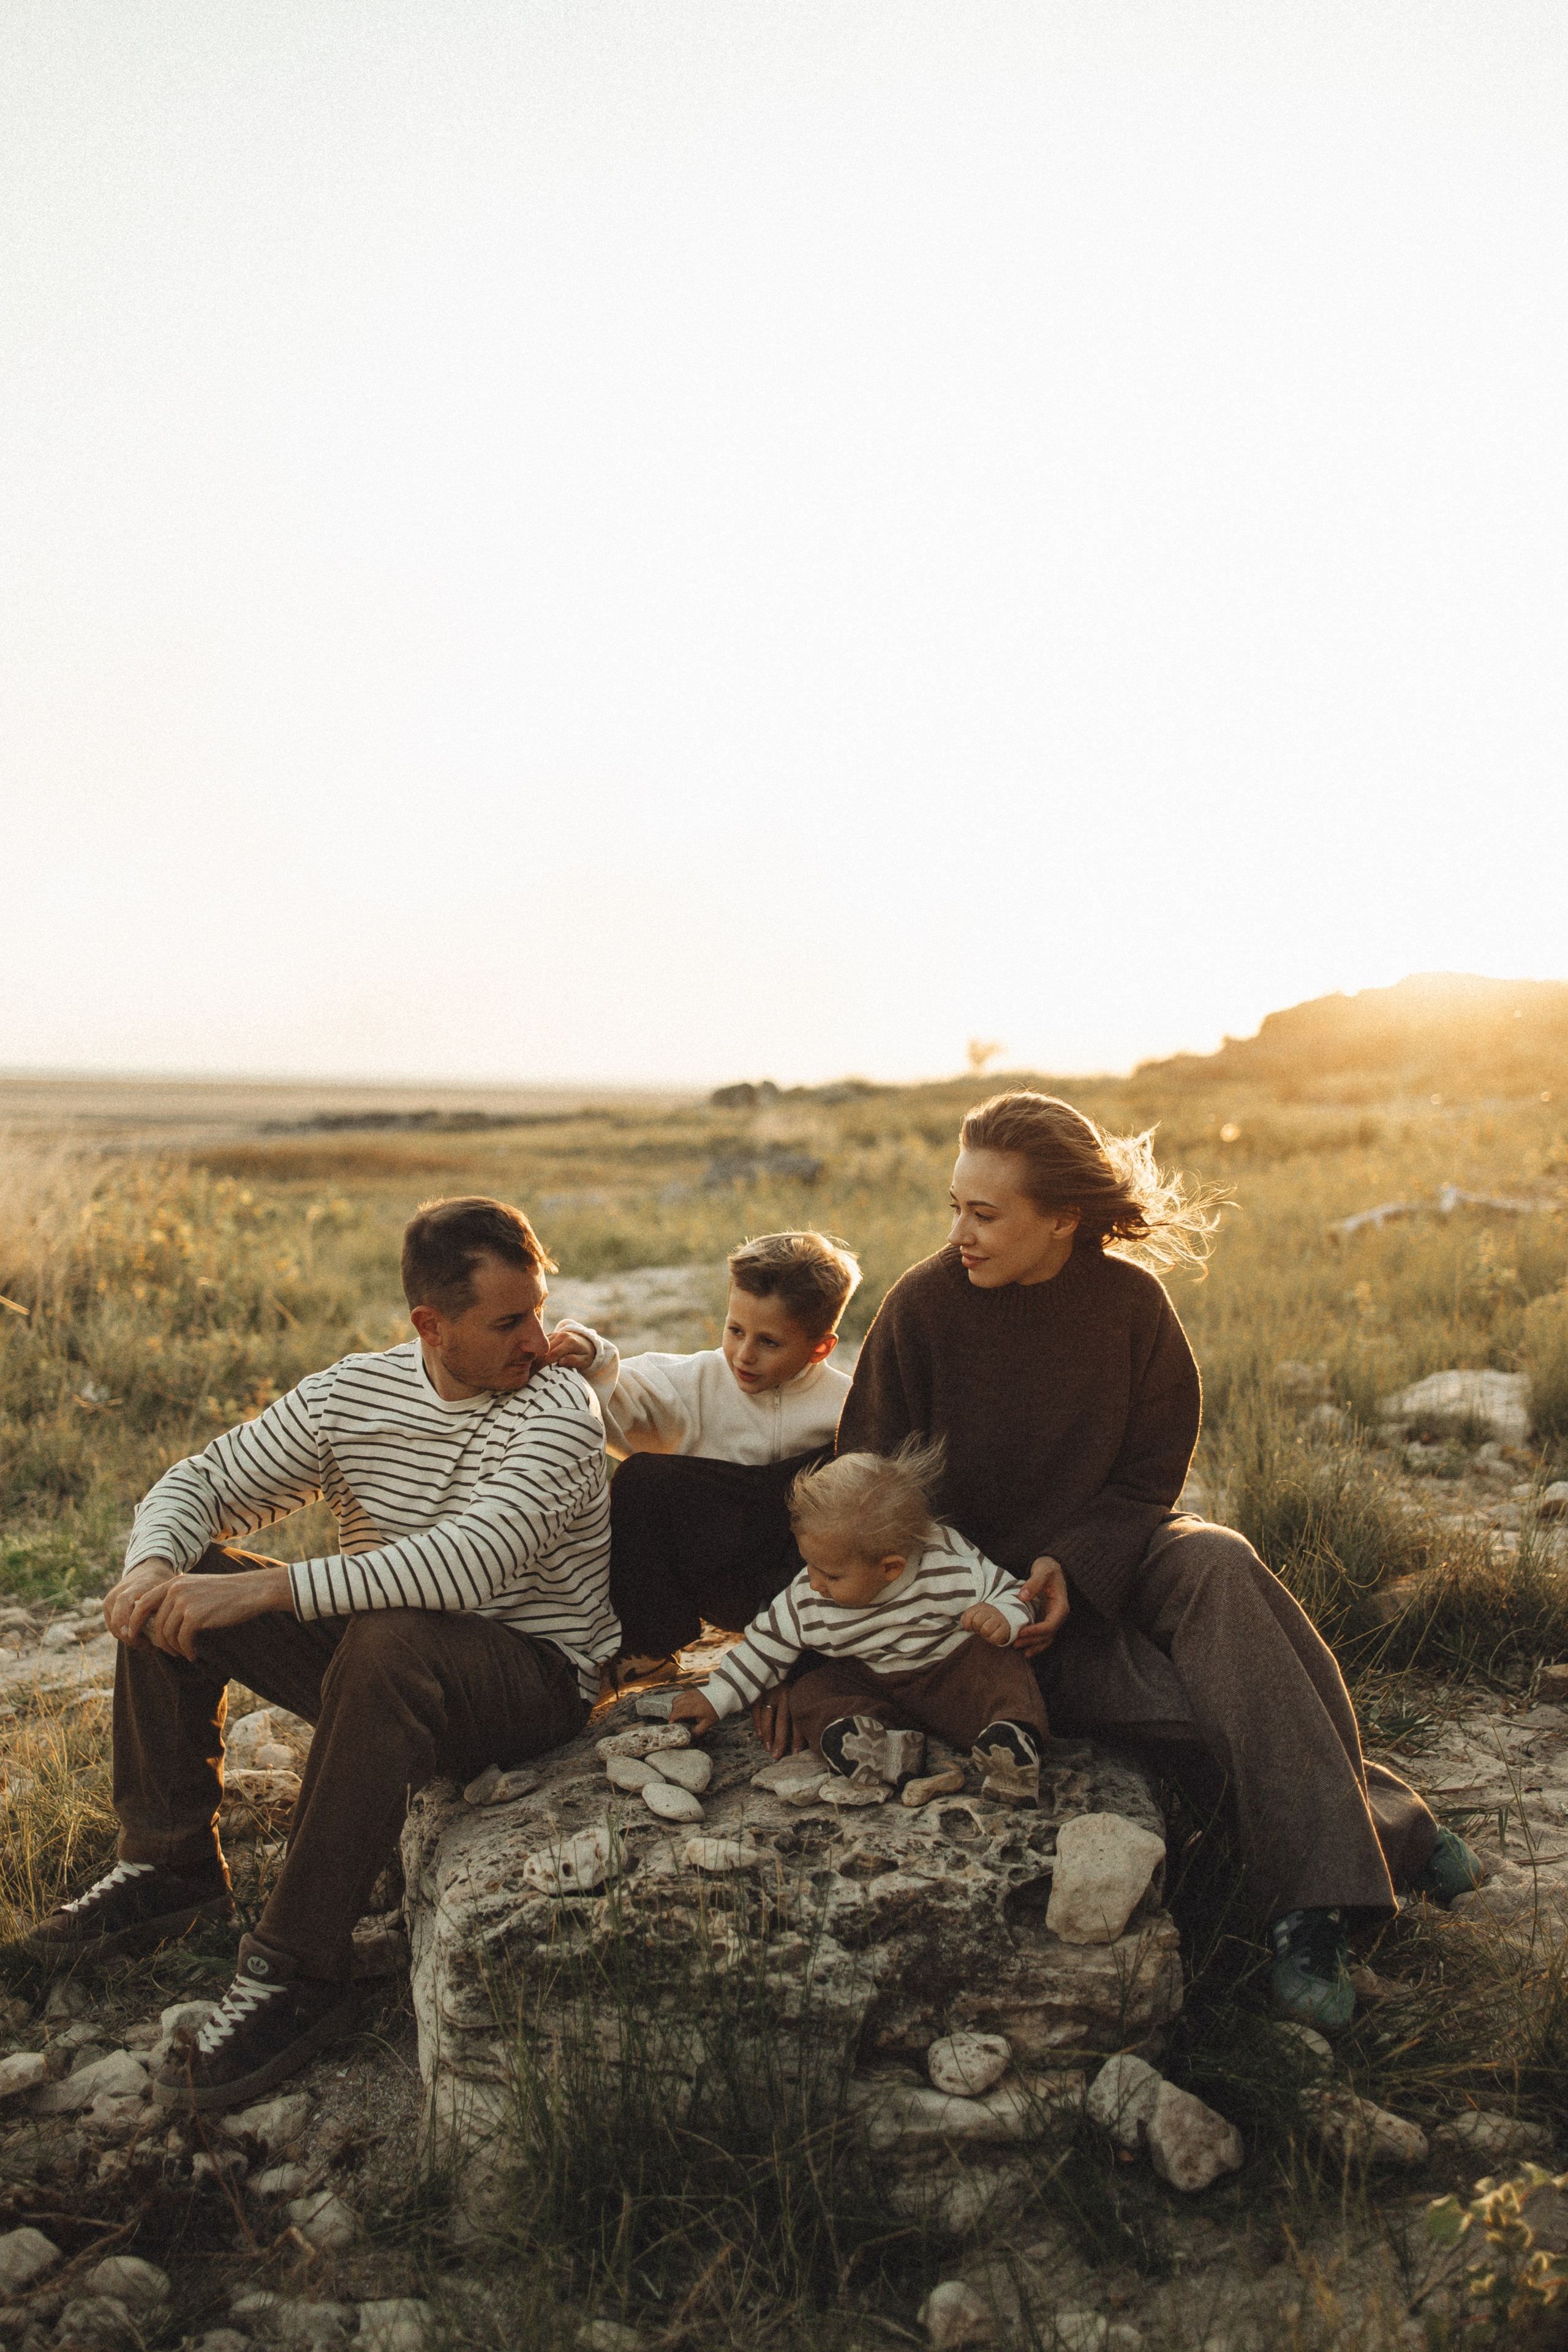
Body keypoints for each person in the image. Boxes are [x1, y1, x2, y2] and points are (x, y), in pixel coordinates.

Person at [804, 1091, 1480, 2030]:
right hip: (987, 1618)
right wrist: (986, 1599)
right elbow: (864, 1490)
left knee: (1222, 1561)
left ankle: (1309, 1910)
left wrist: (1072, 1568)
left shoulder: (1132, 1305)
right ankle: (1392, 1834)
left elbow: (1150, 1474)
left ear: (1064, 1219)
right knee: (1231, 1697)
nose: (960, 1231)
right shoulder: (923, 1308)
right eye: (954, 1206)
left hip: (1111, 1557)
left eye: (986, 1214)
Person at [24, 1196, 618, 2113]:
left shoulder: (558, 1410)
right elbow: (203, 1481)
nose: (540, 1340)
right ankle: (167, 1864)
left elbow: (474, 1564)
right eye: (509, 1321)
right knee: (184, 1582)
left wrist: (272, 1588)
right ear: (432, 1325)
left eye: (539, 1310)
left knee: (374, 1636)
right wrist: (153, 1566)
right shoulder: (355, 1394)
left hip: (532, 1674)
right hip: (393, 1649)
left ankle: (297, 1969)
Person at [548, 1230, 859, 1687]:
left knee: (840, 1467)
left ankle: (808, 1655)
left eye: (769, 1342)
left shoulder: (845, 1405)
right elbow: (620, 1396)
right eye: (735, 1331)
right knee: (643, 1477)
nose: (745, 1354)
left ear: (820, 1348)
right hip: (714, 1572)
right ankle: (648, 1648)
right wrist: (593, 1357)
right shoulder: (697, 1379)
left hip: (800, 1583)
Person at [670, 1440, 1049, 1803]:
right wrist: (713, 1698)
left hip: (954, 1676)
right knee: (811, 1692)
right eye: (809, 1565)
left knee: (1001, 1663)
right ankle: (882, 1748)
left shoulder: (949, 1565)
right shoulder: (809, 1596)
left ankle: (1011, 1742)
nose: (814, 1583)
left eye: (831, 1575)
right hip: (876, 1685)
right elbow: (763, 1649)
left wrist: (1003, 1615)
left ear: (890, 1568)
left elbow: (1018, 1593)